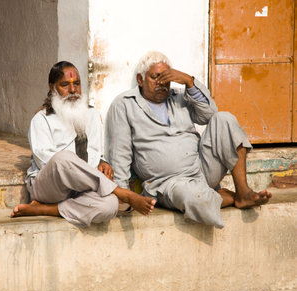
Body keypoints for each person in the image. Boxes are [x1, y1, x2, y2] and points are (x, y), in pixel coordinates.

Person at [106, 51, 271, 228]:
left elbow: (209, 115)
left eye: (166, 78)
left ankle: (243, 192)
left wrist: (190, 82)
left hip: (201, 170)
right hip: (168, 183)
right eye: (155, 77)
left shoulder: (179, 96)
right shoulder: (124, 104)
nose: (161, 83)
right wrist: (122, 195)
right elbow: (119, 151)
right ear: (140, 79)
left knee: (224, 119)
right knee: (195, 200)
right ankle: (229, 197)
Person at [11, 61, 156, 227]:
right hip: (49, 186)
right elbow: (49, 164)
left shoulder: (92, 115)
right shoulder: (41, 119)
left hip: (82, 188)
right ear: (52, 88)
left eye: (77, 84)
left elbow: (94, 154)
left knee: (109, 206)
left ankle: (46, 210)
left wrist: (102, 162)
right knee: (63, 158)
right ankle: (121, 192)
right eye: (65, 85)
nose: (73, 90)